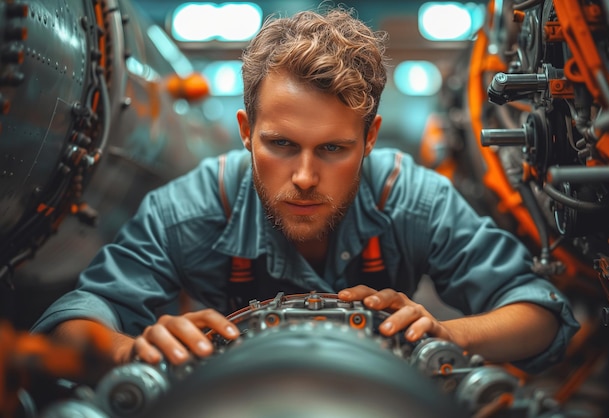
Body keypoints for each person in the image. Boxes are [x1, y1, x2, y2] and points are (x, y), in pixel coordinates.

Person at [32, 7, 579, 375]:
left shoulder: (412, 199)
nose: (304, 177)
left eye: (334, 149)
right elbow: (69, 324)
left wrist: (446, 332)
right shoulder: (190, 209)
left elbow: (542, 312)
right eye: (281, 144)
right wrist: (131, 347)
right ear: (246, 132)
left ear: (370, 139)